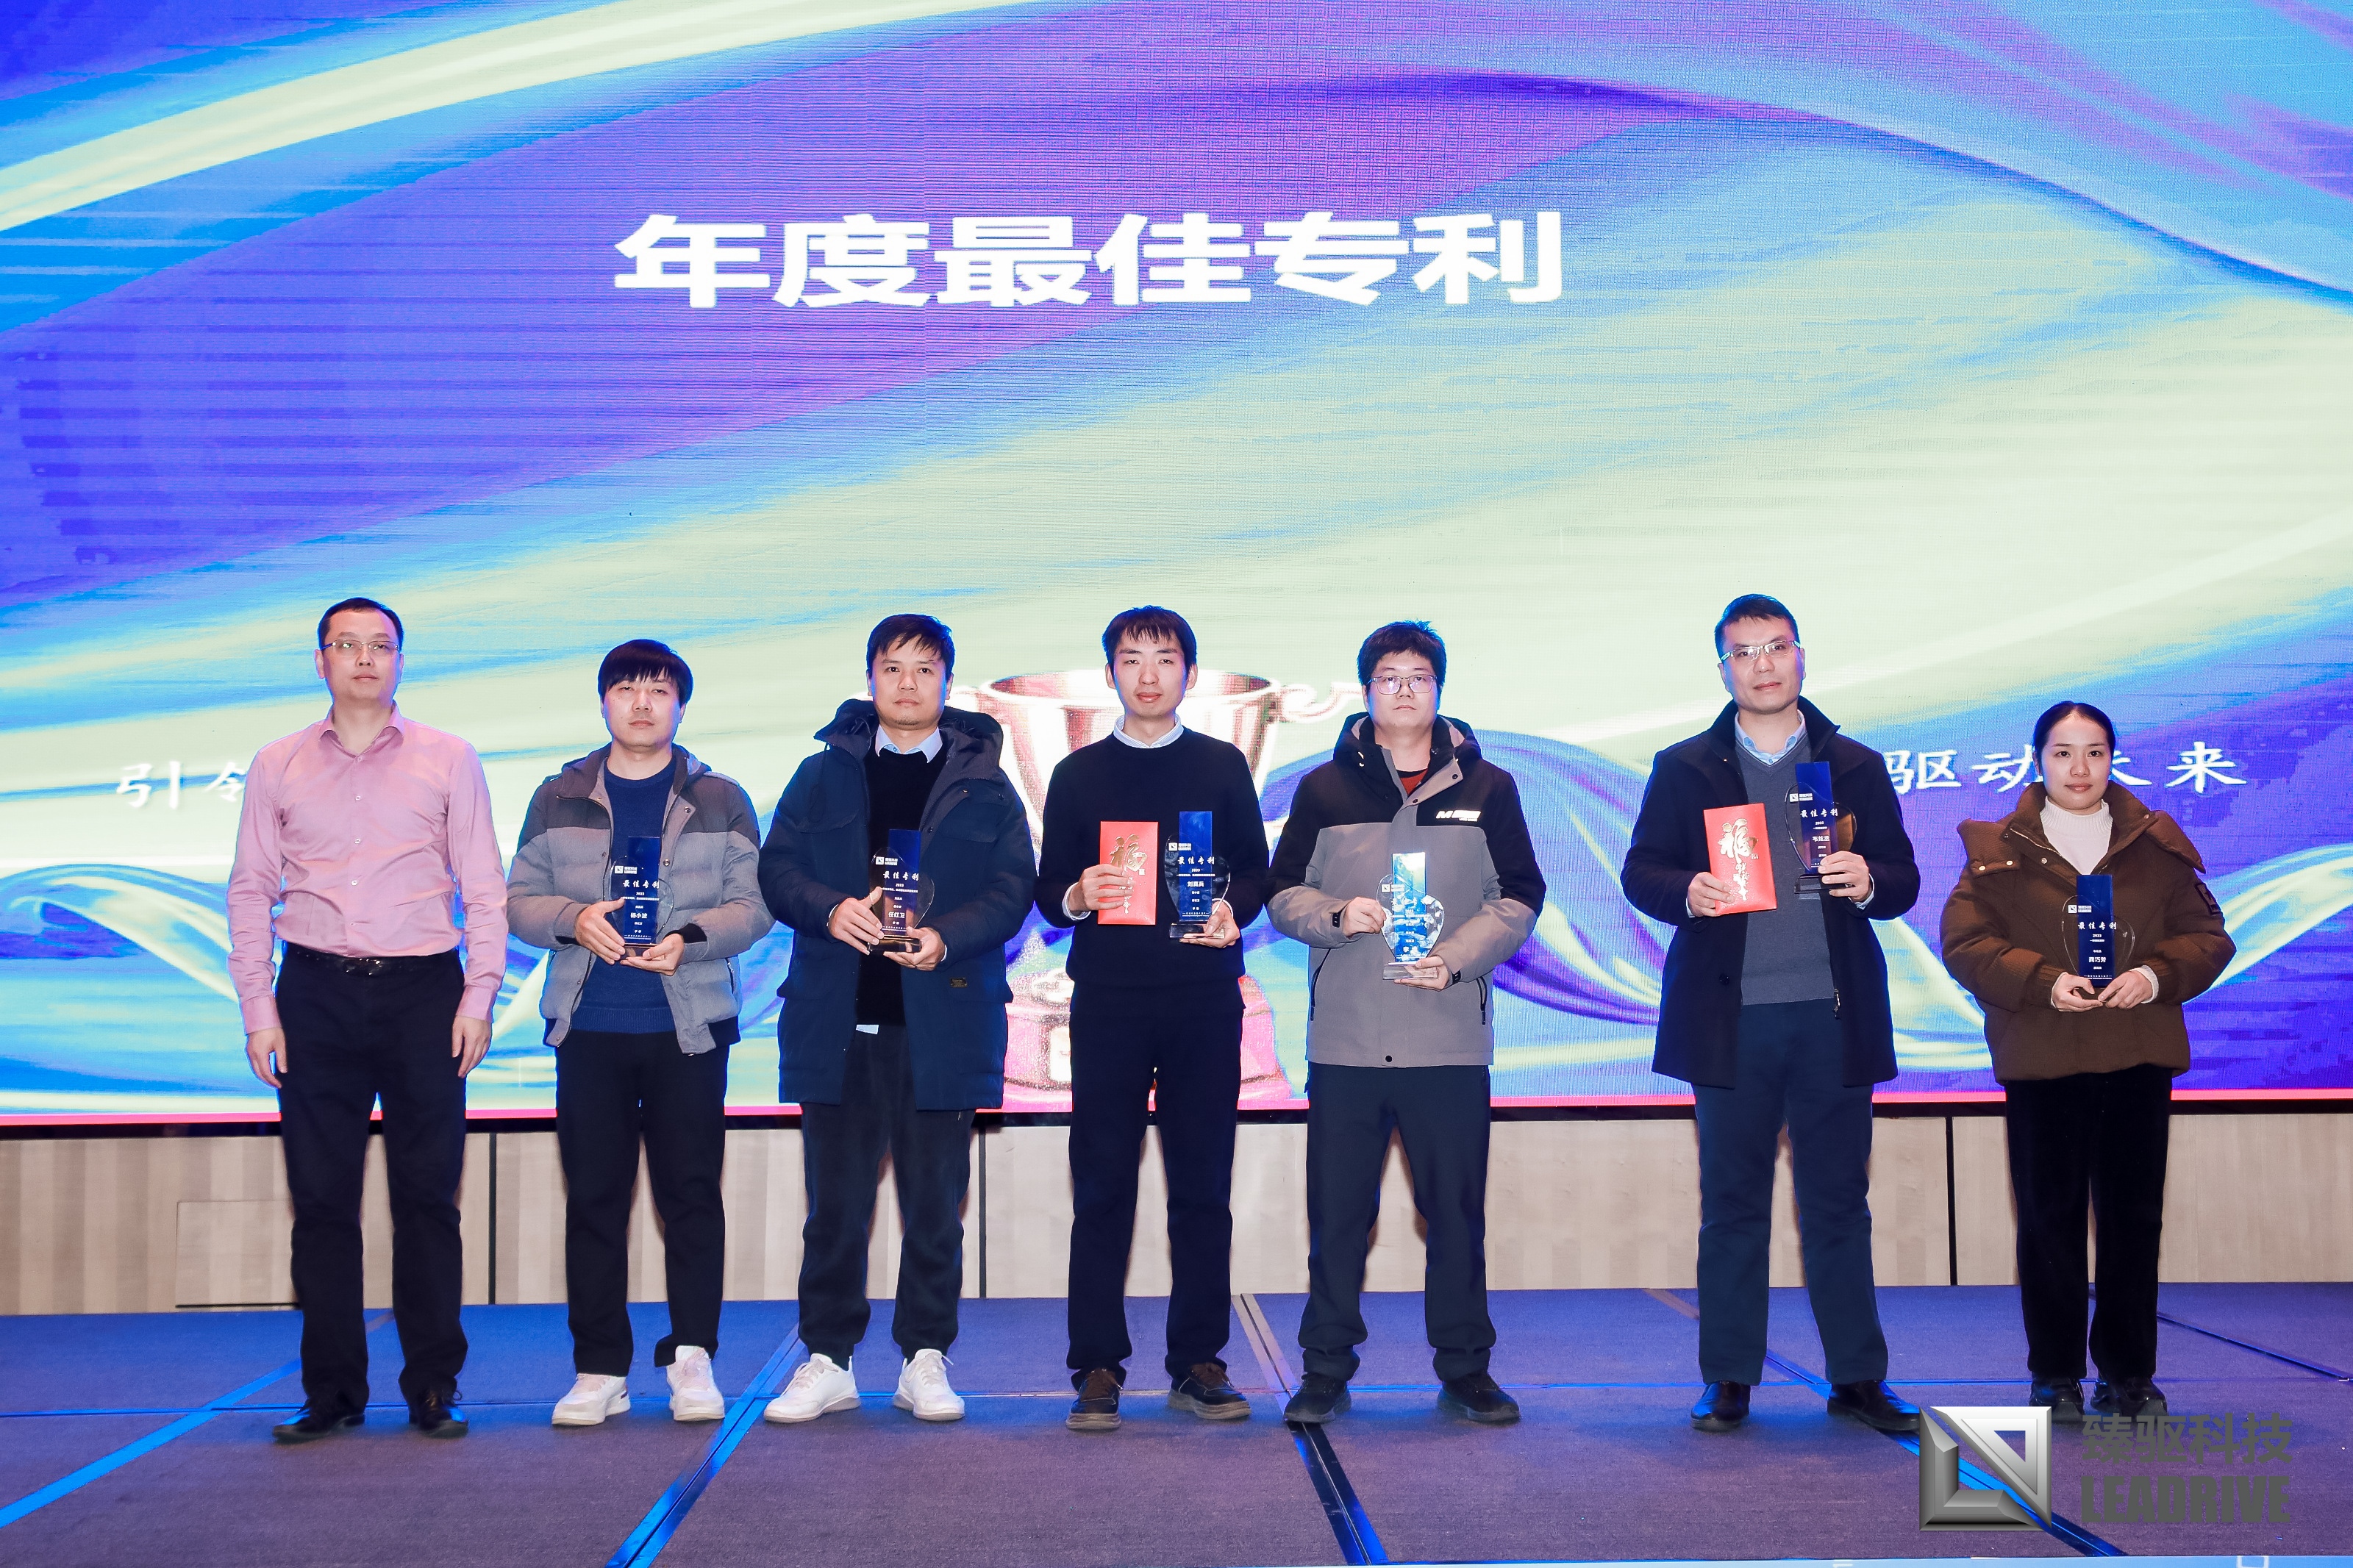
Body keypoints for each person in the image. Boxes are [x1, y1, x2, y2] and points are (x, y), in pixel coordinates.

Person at [1618, 593, 1921, 1436]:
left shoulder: (1851, 765)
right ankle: (1727, 1378)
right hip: (1732, 1020)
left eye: (1776, 647)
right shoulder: (1685, 767)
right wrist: (1686, 890)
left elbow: (1901, 876)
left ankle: (1857, 1379)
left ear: (1800, 656)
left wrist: (1871, 881)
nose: (1762, 665)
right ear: (1723, 670)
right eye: (1743, 653)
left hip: (1831, 1018)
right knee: (1732, 1206)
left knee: (1838, 1205)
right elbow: (1640, 870)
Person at [227, 598, 506, 1443]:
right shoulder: (276, 763)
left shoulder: (449, 758)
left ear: (400, 661)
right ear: (320, 661)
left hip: (425, 995)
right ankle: (332, 1393)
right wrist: (259, 1009)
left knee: (428, 1201)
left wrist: (479, 998)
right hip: (313, 993)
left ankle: (433, 1387)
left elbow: (483, 889)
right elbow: (250, 890)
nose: (363, 658)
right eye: (345, 645)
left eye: (379, 645)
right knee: (321, 1205)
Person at [1265, 621, 1545, 1426]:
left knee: (1455, 1217)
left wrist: (1455, 958)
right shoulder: (1323, 788)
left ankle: (1466, 1369)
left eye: (1418, 677)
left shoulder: (1489, 787)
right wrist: (1335, 914)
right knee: (1337, 1219)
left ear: (1438, 689)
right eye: (1388, 677)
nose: (1403, 690)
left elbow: (1520, 895)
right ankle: (1324, 1368)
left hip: (1445, 1039)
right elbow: (1281, 894)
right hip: (1347, 1042)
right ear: (1365, 692)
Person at [757, 615, 1033, 1424]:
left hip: (941, 1024)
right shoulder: (822, 774)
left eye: (924, 669)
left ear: (946, 681)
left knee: (934, 1207)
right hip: (838, 1022)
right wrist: (828, 908)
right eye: (892, 668)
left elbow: (1013, 887)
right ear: (870, 678)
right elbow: (777, 868)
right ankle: (828, 1358)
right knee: (834, 1210)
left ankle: (925, 1358)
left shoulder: (986, 782)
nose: (907, 684)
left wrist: (948, 936)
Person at [1940, 701, 2232, 1423]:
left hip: (2136, 1055)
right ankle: (2055, 1375)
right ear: (2037, 760)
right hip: (2043, 1058)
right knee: (2049, 1223)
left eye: (2095, 752)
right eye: (2063, 753)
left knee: (2133, 1221)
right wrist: (2043, 982)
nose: (2079, 768)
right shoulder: (1996, 849)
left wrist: (2155, 976)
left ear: (2111, 758)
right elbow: (1966, 944)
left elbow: (2208, 936)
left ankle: (2129, 1374)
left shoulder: (2154, 845)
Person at [506, 640, 773, 1428]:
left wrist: (690, 937)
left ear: (680, 706)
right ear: (604, 702)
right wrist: (572, 918)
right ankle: (599, 1368)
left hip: (687, 1028)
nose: (643, 704)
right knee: (594, 1200)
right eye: (627, 689)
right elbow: (518, 900)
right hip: (588, 1025)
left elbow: (754, 905)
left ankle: (693, 1357)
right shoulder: (559, 795)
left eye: (659, 690)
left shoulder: (719, 796)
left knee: (689, 1196)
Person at [1035, 606, 1271, 1432]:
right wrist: (1077, 893)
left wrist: (1235, 909)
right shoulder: (1077, 773)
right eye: (1131, 659)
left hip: (1203, 997)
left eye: (1164, 659)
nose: (1147, 674)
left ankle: (1199, 1360)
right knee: (1102, 1184)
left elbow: (1256, 868)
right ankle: (1096, 1363)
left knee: (1202, 1187)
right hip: (1109, 999)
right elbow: (1048, 887)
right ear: (1109, 674)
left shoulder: (1220, 764)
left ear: (1189, 675)